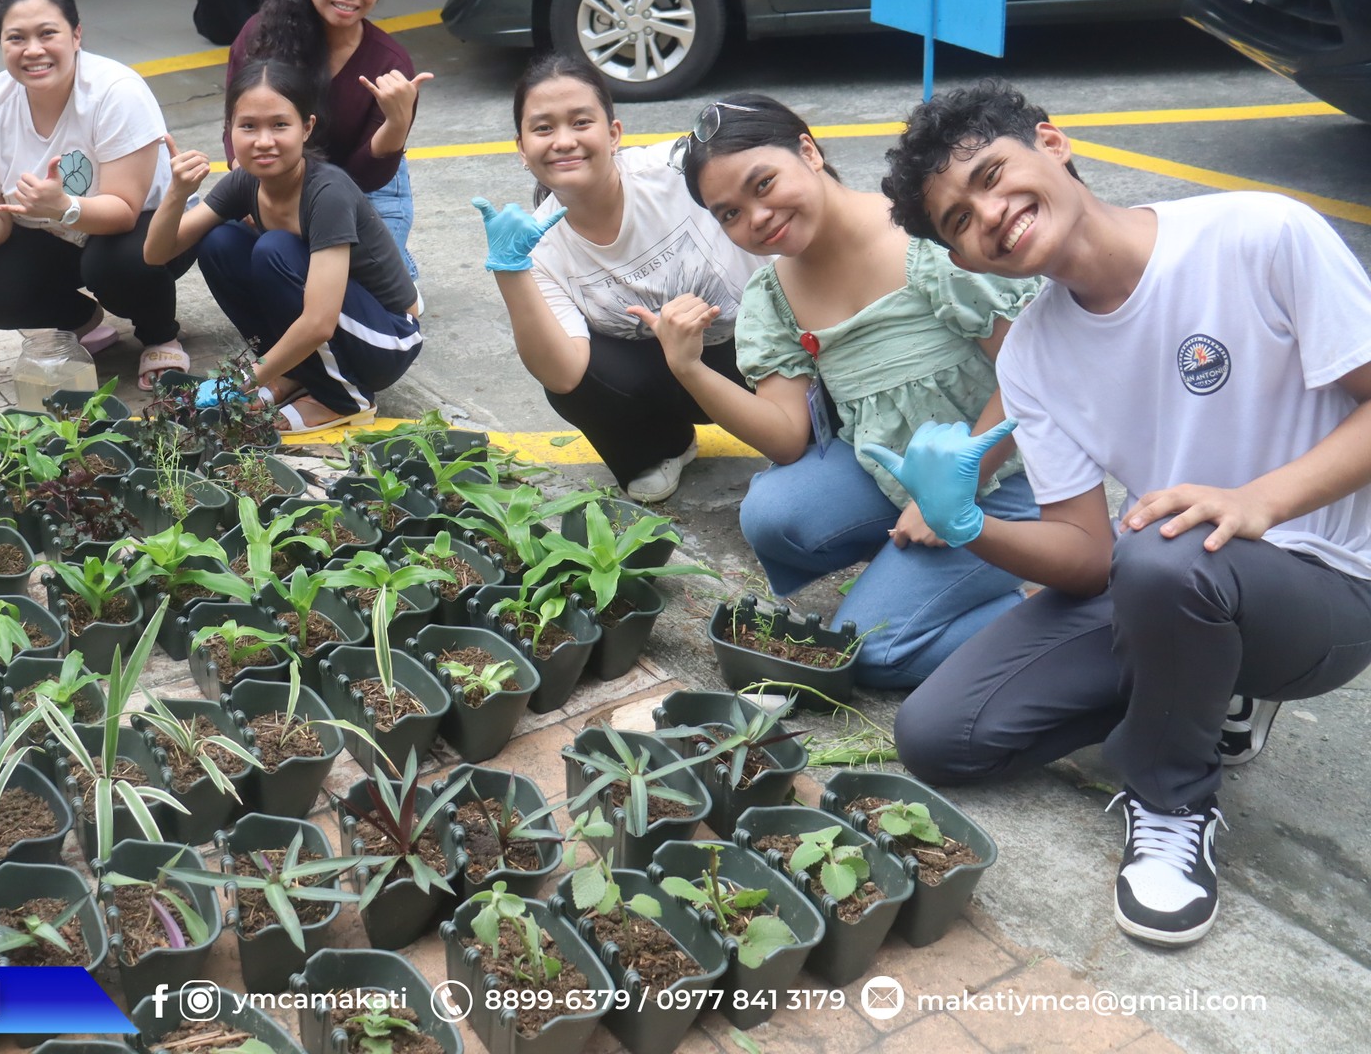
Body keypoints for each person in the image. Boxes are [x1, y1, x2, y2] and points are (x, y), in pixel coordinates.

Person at [876, 80, 1371, 948]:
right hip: (1171, 575)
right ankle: (1200, 683)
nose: (990, 214)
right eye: (959, 220)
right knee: (939, 735)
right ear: (965, 260)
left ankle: (1172, 801)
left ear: (1052, 142)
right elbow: (1083, 553)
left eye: (991, 175)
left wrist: (1258, 501)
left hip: (1326, 586)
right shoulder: (1034, 353)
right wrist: (968, 527)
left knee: (1166, 557)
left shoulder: (1258, 234)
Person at [638, 93, 1041, 688]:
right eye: (729, 213)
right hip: (896, 474)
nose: (757, 217)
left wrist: (947, 494)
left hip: (1007, 480)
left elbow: (1031, 378)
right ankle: (927, 575)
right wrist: (690, 368)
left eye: (764, 183)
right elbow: (785, 436)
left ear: (808, 150)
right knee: (773, 515)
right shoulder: (774, 295)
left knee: (874, 652)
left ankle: (1062, 609)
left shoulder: (926, 240)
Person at [472, 54, 767, 502]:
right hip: (665, 378)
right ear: (522, 148)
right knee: (571, 374)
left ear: (613, 134)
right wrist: (509, 269)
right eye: (544, 128)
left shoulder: (677, 170)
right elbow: (562, 374)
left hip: (758, 349)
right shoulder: (538, 244)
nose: (564, 141)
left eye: (580, 122)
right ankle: (663, 447)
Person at [0, 0, 195, 387]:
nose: (33, 50)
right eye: (16, 38)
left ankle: (160, 335)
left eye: (47, 33)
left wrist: (64, 206)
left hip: (148, 227)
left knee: (112, 263)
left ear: (76, 35)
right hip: (55, 234)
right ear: (1, 45)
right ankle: (80, 321)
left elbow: (124, 210)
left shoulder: (115, 91)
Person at [145, 59, 421, 430]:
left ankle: (342, 399)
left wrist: (244, 379)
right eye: (248, 126)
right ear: (230, 129)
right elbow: (156, 254)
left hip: (387, 339)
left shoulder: (327, 193)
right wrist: (177, 193)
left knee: (274, 250)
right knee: (219, 243)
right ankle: (298, 374)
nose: (263, 141)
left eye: (279, 125)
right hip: (346, 327)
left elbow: (319, 323)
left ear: (306, 128)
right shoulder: (245, 182)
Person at [228, 0, 431, 279]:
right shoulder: (260, 36)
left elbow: (366, 178)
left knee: (357, 282)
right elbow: (236, 123)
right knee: (232, 247)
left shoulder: (390, 63)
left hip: (363, 189)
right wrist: (249, 186)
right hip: (278, 175)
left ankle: (402, 267)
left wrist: (397, 124)